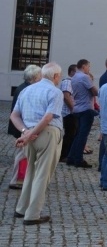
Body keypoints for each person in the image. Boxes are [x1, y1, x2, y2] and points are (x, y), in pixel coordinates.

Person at [9, 62, 64, 225]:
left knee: (31, 172)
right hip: (46, 133)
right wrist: (30, 133)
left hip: (30, 134)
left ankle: (21, 208)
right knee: (42, 174)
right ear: (55, 76)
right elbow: (48, 117)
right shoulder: (55, 91)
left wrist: (25, 132)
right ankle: (32, 214)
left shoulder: (26, 90)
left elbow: (14, 115)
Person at [8, 64, 42, 190]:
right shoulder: (26, 89)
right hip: (23, 127)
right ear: (35, 77)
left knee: (24, 154)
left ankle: (22, 178)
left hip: (22, 126)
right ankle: (16, 179)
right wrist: (25, 130)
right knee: (22, 154)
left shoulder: (24, 87)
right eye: (40, 76)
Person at [65, 59, 97, 168]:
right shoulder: (84, 77)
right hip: (86, 108)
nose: (89, 69)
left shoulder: (73, 78)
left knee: (77, 134)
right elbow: (94, 91)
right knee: (83, 135)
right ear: (83, 66)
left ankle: (71, 157)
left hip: (77, 108)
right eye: (88, 66)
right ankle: (78, 159)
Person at [59, 64, 77, 163]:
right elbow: (66, 96)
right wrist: (73, 109)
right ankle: (63, 155)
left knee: (72, 134)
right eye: (76, 72)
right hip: (68, 113)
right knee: (69, 135)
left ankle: (68, 153)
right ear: (71, 72)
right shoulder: (67, 82)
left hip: (70, 112)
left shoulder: (72, 82)